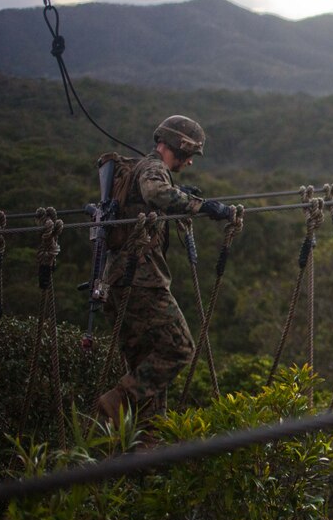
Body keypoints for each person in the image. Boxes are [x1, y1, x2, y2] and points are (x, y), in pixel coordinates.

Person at [96, 115, 233, 426]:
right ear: (179, 147)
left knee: (147, 365)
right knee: (180, 348)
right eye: (190, 155)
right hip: (142, 281)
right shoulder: (153, 168)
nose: (189, 163)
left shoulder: (142, 168)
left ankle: (147, 440)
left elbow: (147, 197)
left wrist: (181, 191)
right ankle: (118, 401)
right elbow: (156, 193)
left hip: (119, 282)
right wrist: (203, 206)